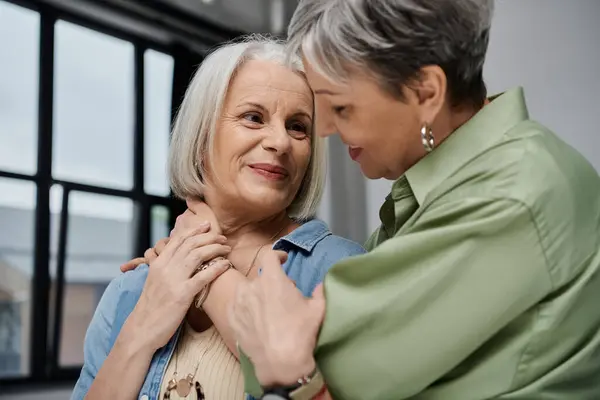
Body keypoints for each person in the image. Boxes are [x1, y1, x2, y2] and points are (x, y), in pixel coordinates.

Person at [226, 1, 600, 399]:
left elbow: (300, 356)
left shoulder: (514, 193)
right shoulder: (440, 189)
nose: (326, 129)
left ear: (426, 92)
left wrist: (213, 269)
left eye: (341, 106)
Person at [70, 36, 365, 400]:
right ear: (200, 137)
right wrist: (141, 329)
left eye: (297, 126)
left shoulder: (340, 271)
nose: (281, 142)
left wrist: (206, 261)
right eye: (253, 117)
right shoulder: (130, 292)